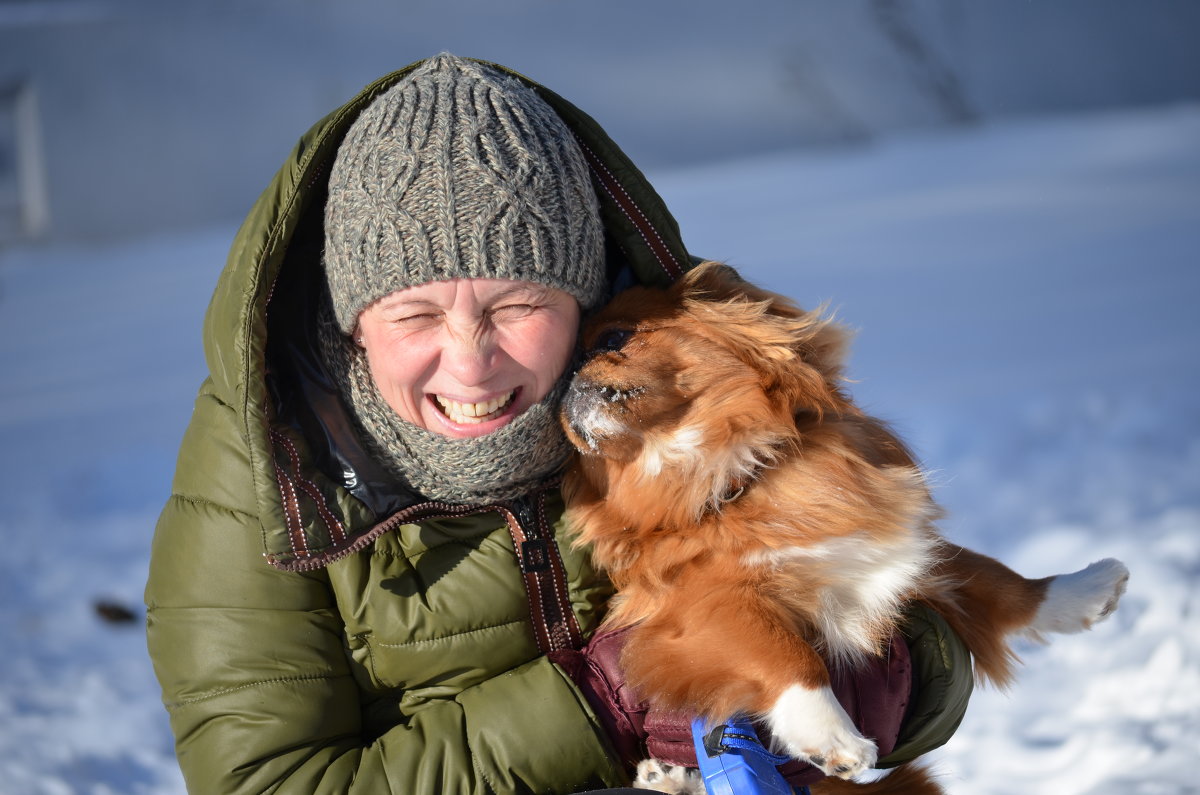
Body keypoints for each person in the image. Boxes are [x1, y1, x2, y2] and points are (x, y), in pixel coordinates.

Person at [145, 54, 972, 793]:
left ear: (582, 295)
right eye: (415, 315)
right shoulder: (266, 470)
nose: (470, 364)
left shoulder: (678, 377)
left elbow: (921, 606)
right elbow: (270, 780)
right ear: (351, 320)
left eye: (516, 304)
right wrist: (603, 702)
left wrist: (901, 676)